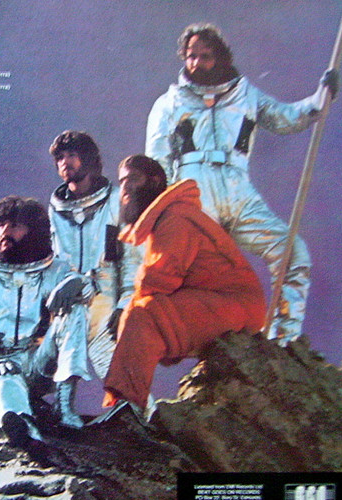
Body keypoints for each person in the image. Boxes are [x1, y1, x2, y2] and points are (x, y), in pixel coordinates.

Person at [145, 23, 338, 344]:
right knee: (200, 280)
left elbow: (286, 117)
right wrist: (164, 213)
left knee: (293, 253)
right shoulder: (169, 103)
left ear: (220, 57)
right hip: (194, 196)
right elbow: (157, 163)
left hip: (240, 194)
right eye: (191, 56)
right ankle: (215, 347)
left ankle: (283, 340)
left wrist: (321, 98)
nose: (196, 63)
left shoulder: (246, 94)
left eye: (205, 56)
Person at [103, 155, 267, 410]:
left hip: (235, 306)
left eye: (133, 179)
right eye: (122, 181)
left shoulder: (176, 218)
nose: (125, 187)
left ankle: (126, 407)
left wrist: (129, 309)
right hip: (224, 303)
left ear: (154, 181)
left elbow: (160, 279)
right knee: (137, 312)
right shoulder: (170, 216)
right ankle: (122, 405)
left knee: (142, 316)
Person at [0, 195, 93, 447]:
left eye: (15, 225)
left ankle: (64, 406)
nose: (5, 232)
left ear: (34, 231)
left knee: (75, 311)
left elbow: (87, 294)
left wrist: (79, 283)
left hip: (37, 362)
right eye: (1, 225)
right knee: (4, 385)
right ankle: (24, 430)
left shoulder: (56, 270)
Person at [48, 130, 141, 378]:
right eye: (60, 158)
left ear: (88, 158)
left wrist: (125, 303)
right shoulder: (55, 209)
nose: (65, 162)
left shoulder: (117, 200)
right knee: (50, 366)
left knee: (113, 368)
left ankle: (140, 405)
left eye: (72, 155)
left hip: (106, 295)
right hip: (67, 297)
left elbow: (132, 256)